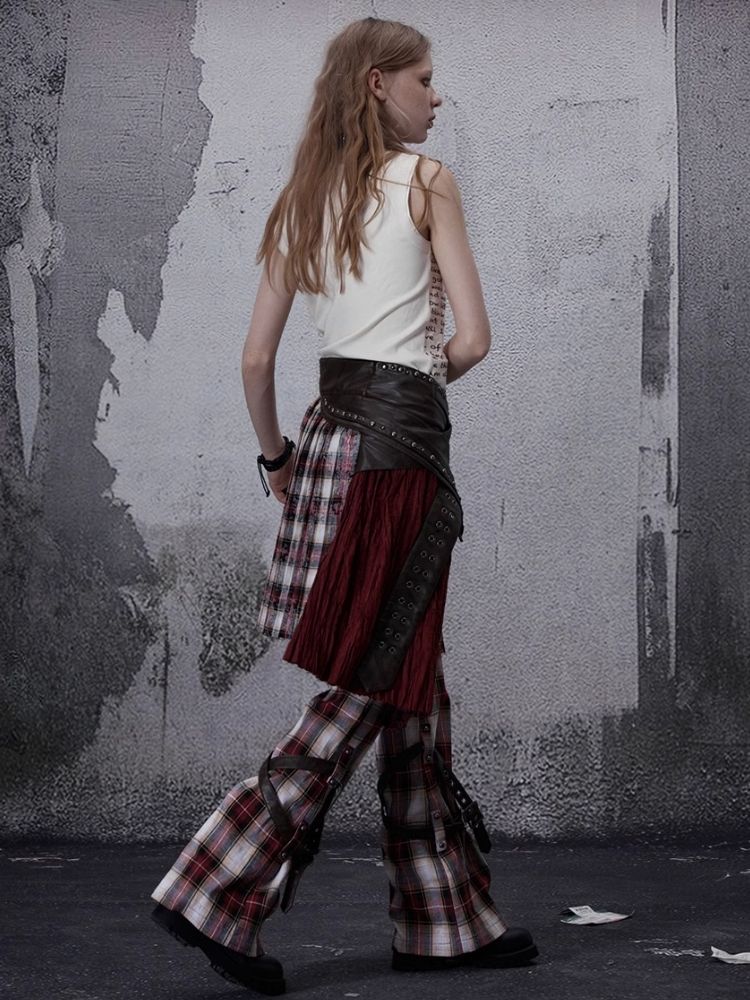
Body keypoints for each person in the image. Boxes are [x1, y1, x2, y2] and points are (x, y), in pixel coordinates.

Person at [150, 16, 538, 996]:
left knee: (410, 679)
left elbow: (254, 360)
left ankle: (441, 922)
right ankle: (214, 882)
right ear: (377, 83)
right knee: (370, 676)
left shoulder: (305, 195)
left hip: (326, 449)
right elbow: (475, 339)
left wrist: (276, 458)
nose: (436, 97)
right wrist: (415, 386)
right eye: (424, 79)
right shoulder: (426, 181)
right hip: (400, 456)